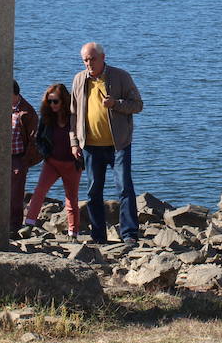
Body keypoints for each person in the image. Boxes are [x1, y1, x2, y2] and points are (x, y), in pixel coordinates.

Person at [70, 42, 143, 244]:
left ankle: (129, 235)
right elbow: (73, 114)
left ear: (103, 57)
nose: (89, 63)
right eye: (85, 60)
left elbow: (138, 105)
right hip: (90, 146)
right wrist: (74, 142)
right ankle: (98, 236)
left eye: (92, 59)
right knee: (93, 192)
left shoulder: (120, 76)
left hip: (118, 144)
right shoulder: (79, 80)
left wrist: (115, 104)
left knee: (124, 188)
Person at [24, 82, 82, 234]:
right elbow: (40, 139)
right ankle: (29, 224)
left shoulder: (74, 118)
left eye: (55, 101)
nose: (52, 105)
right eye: (49, 101)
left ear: (64, 101)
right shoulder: (46, 118)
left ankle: (73, 232)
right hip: (52, 163)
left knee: (71, 198)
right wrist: (46, 154)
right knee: (39, 191)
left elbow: (83, 138)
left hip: (72, 165)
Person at [10, 80, 39, 230]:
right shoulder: (2, 107)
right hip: (2, 157)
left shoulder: (26, 112)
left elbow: (34, 139)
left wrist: (25, 161)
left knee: (16, 193)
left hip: (19, 157)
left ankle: (14, 227)